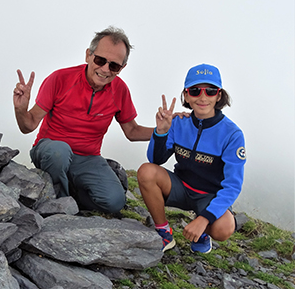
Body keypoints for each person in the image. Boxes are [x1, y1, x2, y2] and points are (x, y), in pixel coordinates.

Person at [13, 26, 155, 214]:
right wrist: (20, 109)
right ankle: (58, 207)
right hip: (51, 149)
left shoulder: (120, 90)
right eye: (100, 60)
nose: (105, 69)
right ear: (88, 55)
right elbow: (28, 125)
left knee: (115, 201)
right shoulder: (60, 79)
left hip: (88, 157)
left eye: (114, 65)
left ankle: (73, 193)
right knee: (59, 152)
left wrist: (166, 130)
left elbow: (132, 131)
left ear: (122, 68)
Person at [137, 63, 246, 253]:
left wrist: (204, 219)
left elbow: (233, 185)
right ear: (186, 95)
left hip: (208, 196)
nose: (203, 97)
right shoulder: (178, 123)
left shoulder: (232, 134)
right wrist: (161, 132)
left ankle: (202, 232)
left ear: (219, 95)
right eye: (195, 91)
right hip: (180, 187)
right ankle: (164, 233)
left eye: (210, 91)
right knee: (146, 171)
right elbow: (155, 160)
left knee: (224, 228)